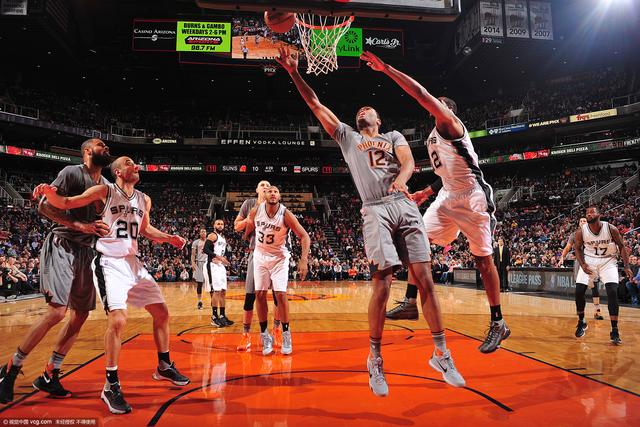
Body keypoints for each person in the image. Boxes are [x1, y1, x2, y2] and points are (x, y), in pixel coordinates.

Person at [277, 46, 465, 397]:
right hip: (375, 208)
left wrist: (403, 179)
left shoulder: (393, 137)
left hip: (402, 202)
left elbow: (408, 162)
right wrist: (293, 72)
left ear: (377, 120)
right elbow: (316, 104)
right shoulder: (347, 136)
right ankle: (375, 358)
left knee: (425, 279)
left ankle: (442, 353)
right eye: (359, 110)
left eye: (368, 110)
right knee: (382, 281)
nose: (363, 111)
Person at [361, 50, 509, 354]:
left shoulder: (450, 124)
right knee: (418, 242)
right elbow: (446, 173)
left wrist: (386, 68)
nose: (434, 105)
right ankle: (411, 303)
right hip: (447, 195)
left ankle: (498, 322)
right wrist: (426, 192)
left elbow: (419, 93)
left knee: (483, 260)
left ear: (446, 109)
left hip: (472, 196)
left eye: (439, 103)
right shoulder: (433, 135)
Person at [33, 156, 190, 414]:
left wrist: (168, 239)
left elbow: (146, 229)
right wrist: (48, 191)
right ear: (117, 171)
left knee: (162, 313)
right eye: (130, 163)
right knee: (118, 320)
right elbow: (67, 203)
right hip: (108, 262)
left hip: (133, 263)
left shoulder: (143, 199)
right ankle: (111, 385)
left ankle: (164, 366)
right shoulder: (104, 191)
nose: (136, 166)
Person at [0, 139, 111, 404]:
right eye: (100, 144)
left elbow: (103, 219)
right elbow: (45, 206)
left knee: (81, 314)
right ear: (87, 151)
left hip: (87, 252)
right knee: (57, 311)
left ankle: (50, 373)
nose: (105, 146)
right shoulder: (72, 172)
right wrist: (78, 225)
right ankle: (10, 369)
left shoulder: (106, 185)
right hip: (62, 243)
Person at [243, 185, 310, 356]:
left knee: (280, 295)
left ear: (279, 196)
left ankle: (286, 333)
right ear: (264, 195)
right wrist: (246, 233)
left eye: (275, 191)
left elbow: (304, 236)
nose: (272, 193)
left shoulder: (285, 213)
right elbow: (248, 228)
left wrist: (303, 261)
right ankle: (265, 334)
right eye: (269, 191)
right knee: (259, 294)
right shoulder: (255, 210)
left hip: (280, 258)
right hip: (260, 256)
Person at [234, 180, 282, 352]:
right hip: (257, 253)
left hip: (276, 255)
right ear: (257, 189)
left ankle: (277, 330)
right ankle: (246, 335)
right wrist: (250, 218)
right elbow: (236, 226)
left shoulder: (277, 206)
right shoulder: (249, 205)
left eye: (269, 185)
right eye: (262, 185)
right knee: (250, 296)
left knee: (278, 296)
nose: (266, 187)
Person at [574, 205, 632, 345]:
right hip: (589, 262)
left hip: (608, 261)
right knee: (578, 291)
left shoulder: (611, 228)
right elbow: (577, 248)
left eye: (592, 212)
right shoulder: (581, 231)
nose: (588, 214)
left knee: (612, 292)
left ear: (599, 215)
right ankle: (581, 321)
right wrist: (582, 264)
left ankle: (614, 329)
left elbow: (622, 246)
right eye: (587, 213)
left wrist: (627, 266)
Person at [558, 218, 604, 320]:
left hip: (592, 262)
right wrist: (562, 257)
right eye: (581, 221)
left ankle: (597, 311)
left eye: (585, 221)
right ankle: (580, 309)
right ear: (579, 224)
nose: (583, 222)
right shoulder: (574, 235)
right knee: (580, 289)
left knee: (594, 287)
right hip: (579, 263)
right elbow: (567, 247)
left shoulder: (594, 234)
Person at [203, 219, 233, 327]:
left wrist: (225, 260)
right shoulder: (212, 235)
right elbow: (205, 249)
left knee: (223, 291)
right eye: (218, 224)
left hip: (220, 265)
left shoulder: (223, 238)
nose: (220, 225)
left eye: (222, 224)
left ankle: (222, 316)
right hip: (212, 265)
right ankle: (214, 316)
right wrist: (218, 257)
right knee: (216, 291)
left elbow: (224, 252)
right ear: (214, 225)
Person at [191, 228, 208, 310]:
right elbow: (193, 254)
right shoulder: (196, 242)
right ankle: (199, 301)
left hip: (208, 263)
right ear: (199, 233)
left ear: (206, 233)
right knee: (200, 284)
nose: (203, 232)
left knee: (211, 283)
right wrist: (193, 263)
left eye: (204, 231)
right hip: (199, 263)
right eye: (202, 231)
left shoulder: (209, 242)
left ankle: (213, 301)